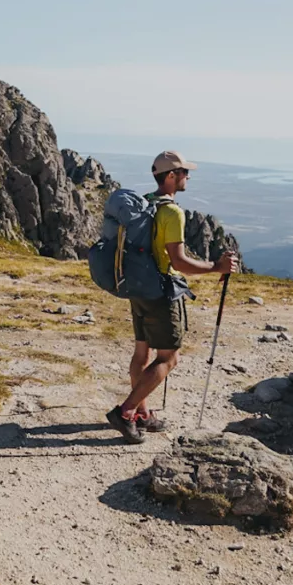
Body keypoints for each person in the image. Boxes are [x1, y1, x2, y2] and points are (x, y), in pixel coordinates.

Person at [106, 150, 239, 444]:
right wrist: (215, 267)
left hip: (138, 288)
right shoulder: (172, 212)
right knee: (169, 358)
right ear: (170, 176)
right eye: (183, 172)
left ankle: (142, 413)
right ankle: (126, 412)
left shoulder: (146, 204)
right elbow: (178, 262)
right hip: (160, 292)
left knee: (143, 353)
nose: (187, 177)